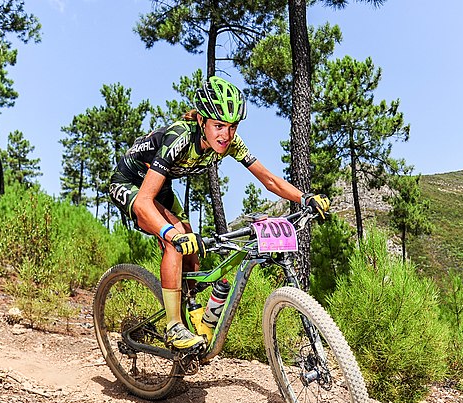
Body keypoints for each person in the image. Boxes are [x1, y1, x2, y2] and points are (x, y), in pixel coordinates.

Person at [109, 76, 330, 351]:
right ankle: (173, 327)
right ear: (201, 121)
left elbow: (269, 180)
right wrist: (170, 235)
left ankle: (192, 312)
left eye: (232, 127)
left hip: (160, 185)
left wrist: (304, 197)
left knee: (192, 249)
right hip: (130, 183)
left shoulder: (231, 144)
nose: (225, 135)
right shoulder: (180, 136)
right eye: (218, 126)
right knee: (175, 241)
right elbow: (143, 202)